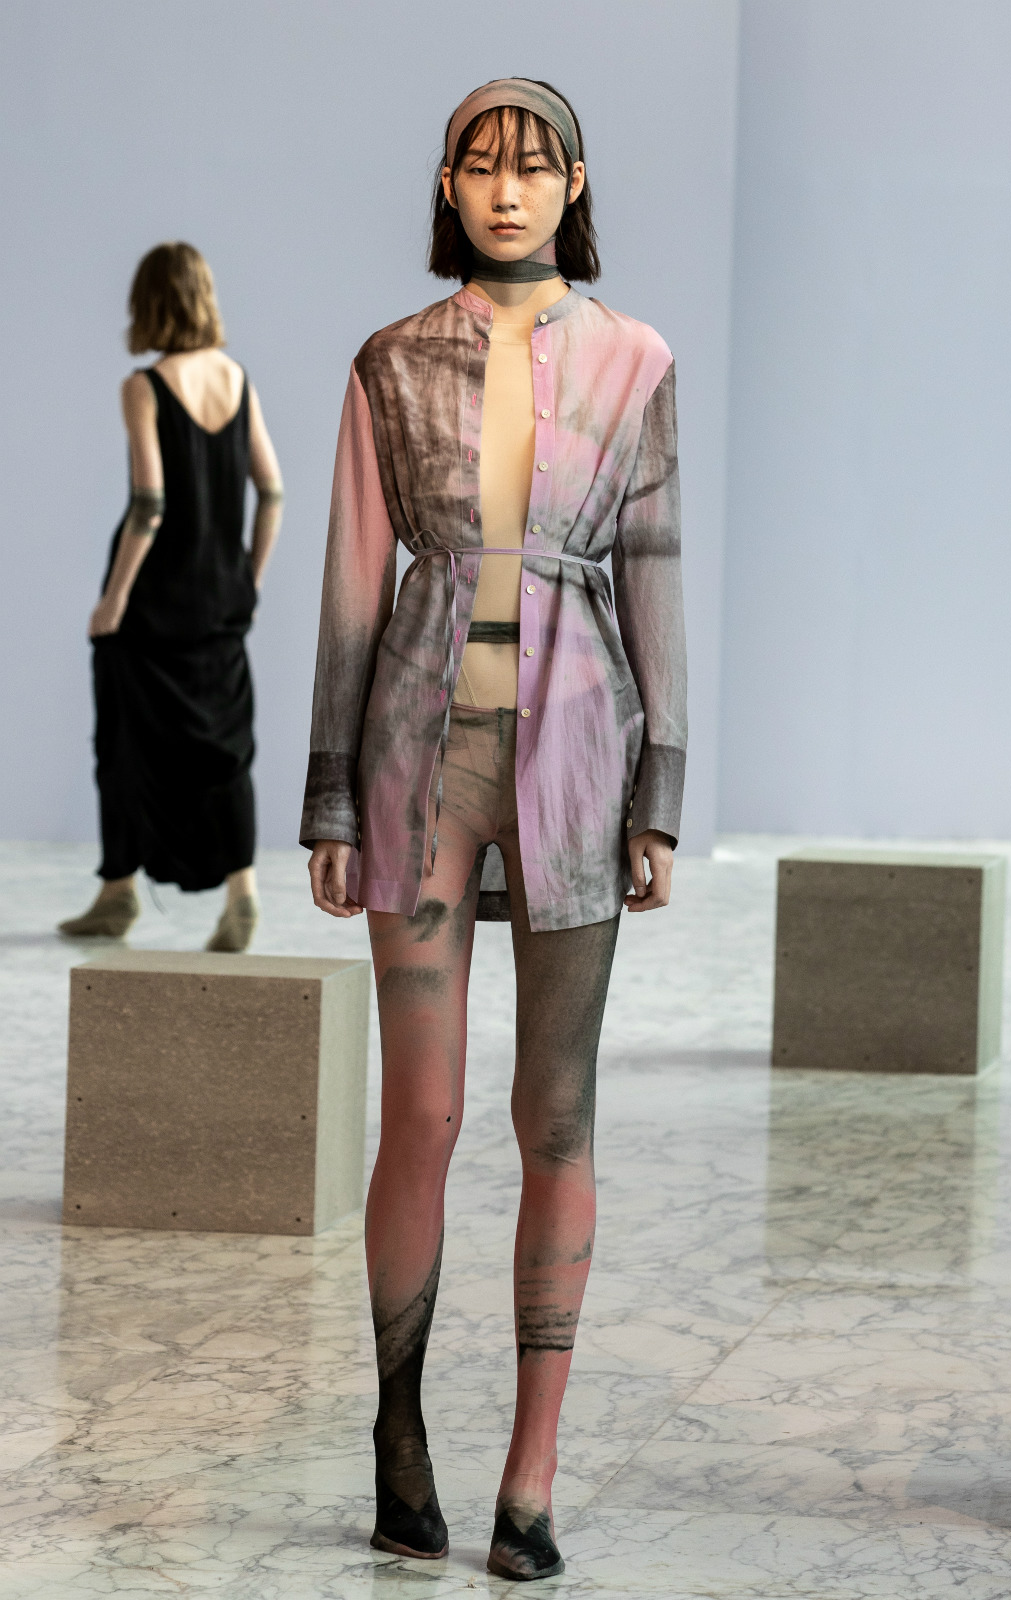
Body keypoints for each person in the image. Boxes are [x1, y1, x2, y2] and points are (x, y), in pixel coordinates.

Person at [303, 79, 685, 1581]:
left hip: (582, 760)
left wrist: (662, 793)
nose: (506, 189)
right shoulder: (389, 361)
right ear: (448, 185)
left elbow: (653, 569)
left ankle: (532, 1473)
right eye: (480, 164)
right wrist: (331, 794)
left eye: (532, 166)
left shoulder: (636, 359)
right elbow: (352, 584)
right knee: (421, 1114)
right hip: (417, 763)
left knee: (556, 1119)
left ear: (573, 183)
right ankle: (398, 1432)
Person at [59, 242, 284, 952]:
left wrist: (114, 600)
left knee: (125, 743)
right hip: (220, 598)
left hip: (153, 602)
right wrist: (250, 578)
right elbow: (273, 491)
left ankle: (119, 892)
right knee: (225, 749)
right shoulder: (237, 378)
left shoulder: (144, 386)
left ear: (149, 303)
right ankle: (241, 897)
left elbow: (150, 503)